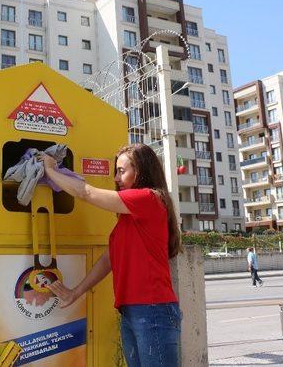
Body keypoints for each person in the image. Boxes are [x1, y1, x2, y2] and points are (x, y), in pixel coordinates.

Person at [40, 143, 182, 367]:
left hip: (153, 311)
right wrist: (75, 292)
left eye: (121, 171)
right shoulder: (127, 218)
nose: (116, 178)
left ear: (141, 171)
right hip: (132, 311)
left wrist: (49, 170)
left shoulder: (149, 199)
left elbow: (85, 192)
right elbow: (109, 259)